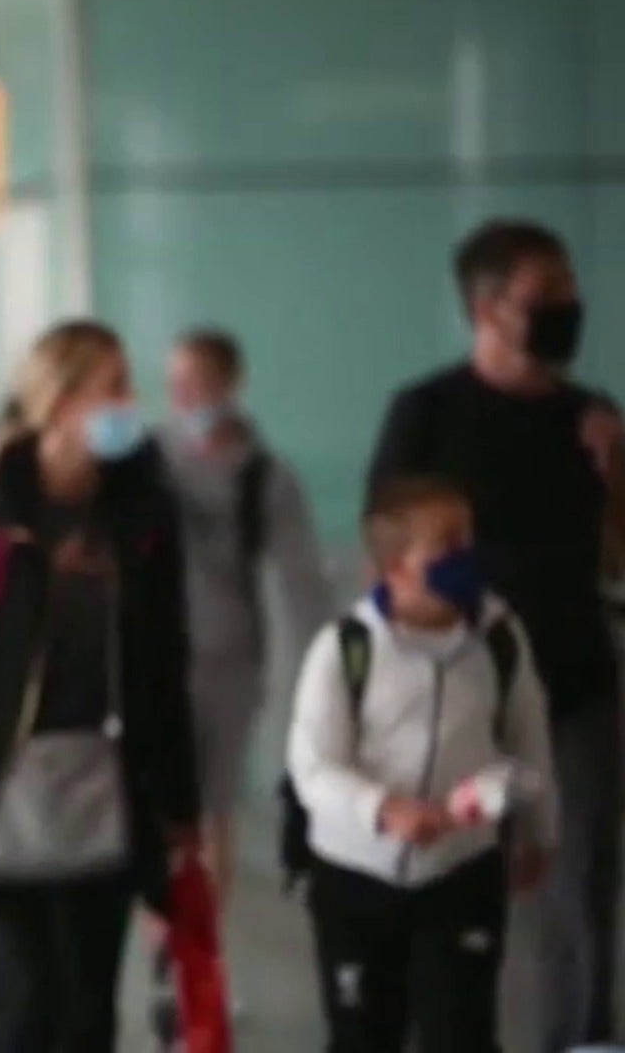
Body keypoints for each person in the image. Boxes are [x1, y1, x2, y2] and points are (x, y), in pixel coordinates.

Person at [0, 320, 200, 1052]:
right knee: (27, 1008)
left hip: (110, 785)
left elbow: (163, 668)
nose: (130, 403)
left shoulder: (143, 517)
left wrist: (180, 807)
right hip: (5, 789)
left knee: (89, 1014)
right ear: (60, 403)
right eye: (113, 387)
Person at [366, 219, 619, 1051]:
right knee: (446, 889)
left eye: (570, 292)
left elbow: (617, 553)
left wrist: (617, 469)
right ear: (486, 309)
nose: (566, 309)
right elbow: (388, 554)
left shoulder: (590, 417)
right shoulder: (429, 413)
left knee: (579, 893)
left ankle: (579, 1039)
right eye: (544, 296)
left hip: (574, 680)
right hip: (456, 686)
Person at [289, 476, 556, 1052]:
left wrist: (538, 830)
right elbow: (312, 767)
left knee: (462, 1033)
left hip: (461, 869)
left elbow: (528, 737)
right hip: (356, 876)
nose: (468, 555)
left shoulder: (499, 638)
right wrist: (383, 809)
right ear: (397, 568)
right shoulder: (346, 648)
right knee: (363, 1036)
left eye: (469, 538)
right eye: (448, 544)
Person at [160, 328, 331, 888]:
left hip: (229, 660)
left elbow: (303, 581)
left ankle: (204, 931)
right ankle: (165, 927)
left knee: (215, 806)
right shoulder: (149, 463)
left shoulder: (265, 477)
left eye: (197, 381)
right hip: (155, 656)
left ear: (230, 385)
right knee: (159, 805)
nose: (183, 395)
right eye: (175, 382)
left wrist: (325, 672)